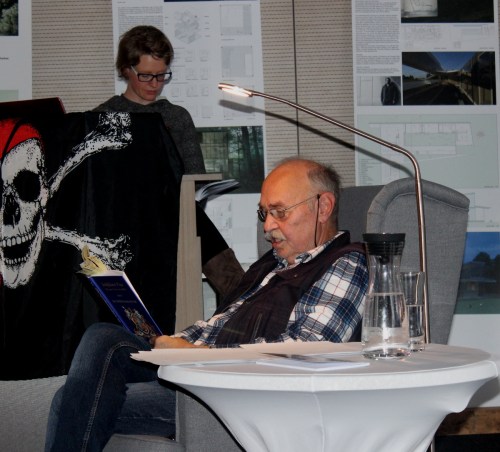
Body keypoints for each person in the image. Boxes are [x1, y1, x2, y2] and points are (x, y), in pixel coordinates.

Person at [45, 158, 368, 451]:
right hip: (197, 374)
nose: (268, 226)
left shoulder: (347, 263)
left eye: (280, 212)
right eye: (264, 213)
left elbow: (306, 352)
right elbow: (214, 327)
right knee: (103, 337)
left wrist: (197, 355)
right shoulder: (269, 267)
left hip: (231, 395)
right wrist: (169, 343)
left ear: (323, 207)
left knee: (73, 401)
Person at [93, 25, 244, 299]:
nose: (155, 84)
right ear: (126, 69)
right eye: (146, 75)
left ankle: (240, 295)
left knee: (184, 211)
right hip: (123, 223)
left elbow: (195, 179)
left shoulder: (177, 117)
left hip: (174, 220)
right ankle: (241, 293)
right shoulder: (102, 118)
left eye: (162, 75)